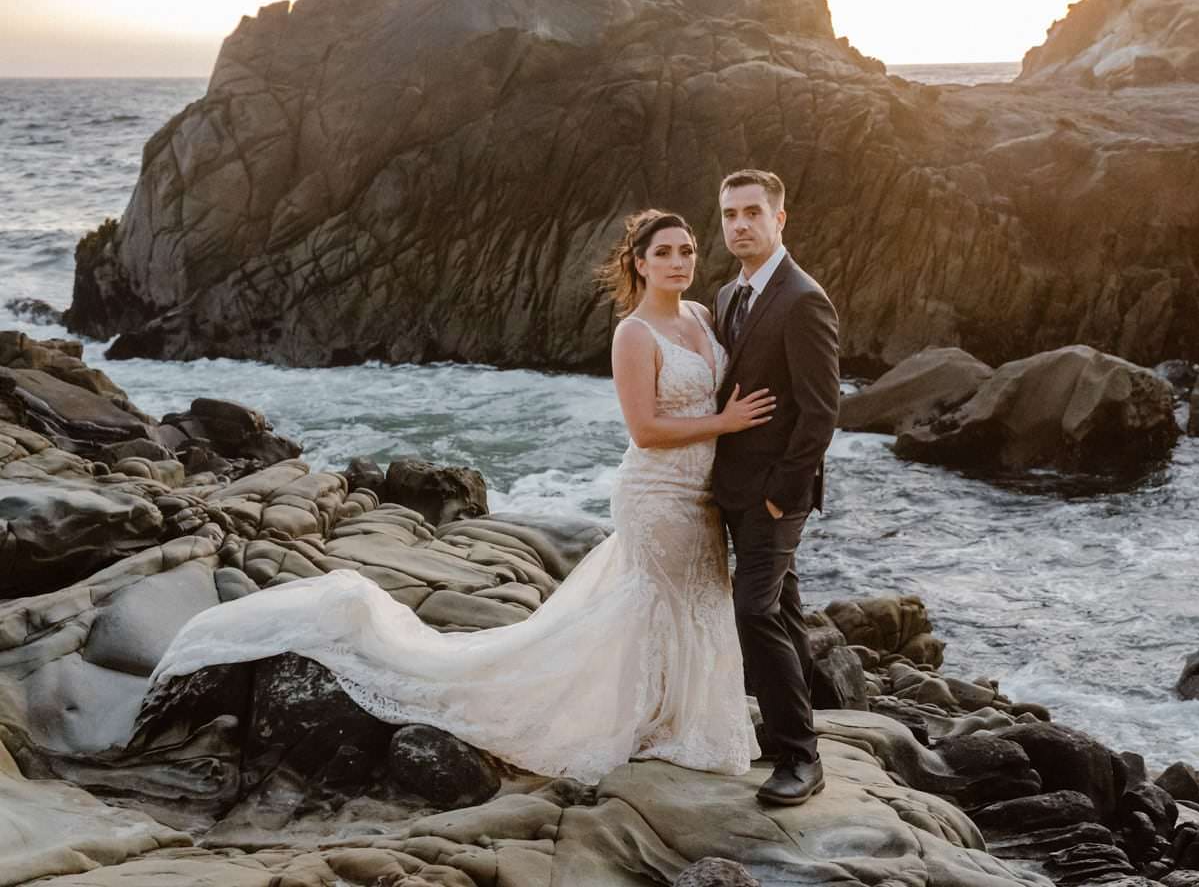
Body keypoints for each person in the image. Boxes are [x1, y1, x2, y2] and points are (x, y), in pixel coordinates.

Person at [143, 209, 775, 784]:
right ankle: (641, 721)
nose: (680, 262)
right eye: (665, 252)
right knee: (655, 604)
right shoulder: (634, 334)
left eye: (688, 250)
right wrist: (727, 424)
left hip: (703, 494)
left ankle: (674, 718)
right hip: (657, 494)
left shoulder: (699, 317)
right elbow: (645, 429)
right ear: (640, 262)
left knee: (693, 601)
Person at [712, 169, 841, 806]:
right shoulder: (725, 296)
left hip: (774, 493)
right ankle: (802, 721)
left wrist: (782, 493)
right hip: (731, 488)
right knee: (782, 612)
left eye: (752, 213)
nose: (740, 224)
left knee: (752, 612)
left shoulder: (802, 298)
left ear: (779, 218)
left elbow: (821, 411)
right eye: (730, 214)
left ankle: (800, 757)